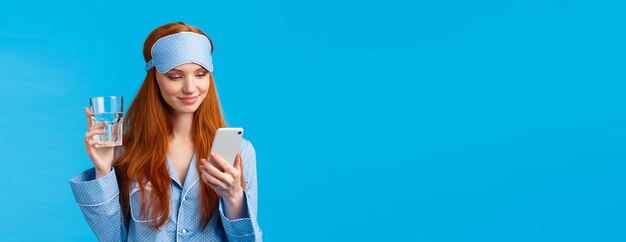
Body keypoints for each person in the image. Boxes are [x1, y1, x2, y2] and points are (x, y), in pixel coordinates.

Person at [69, 22, 262, 241]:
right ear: (155, 79)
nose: (190, 87)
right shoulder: (126, 152)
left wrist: (234, 197)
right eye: (176, 76)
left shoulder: (239, 152)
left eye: (200, 74)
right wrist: (103, 170)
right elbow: (114, 237)